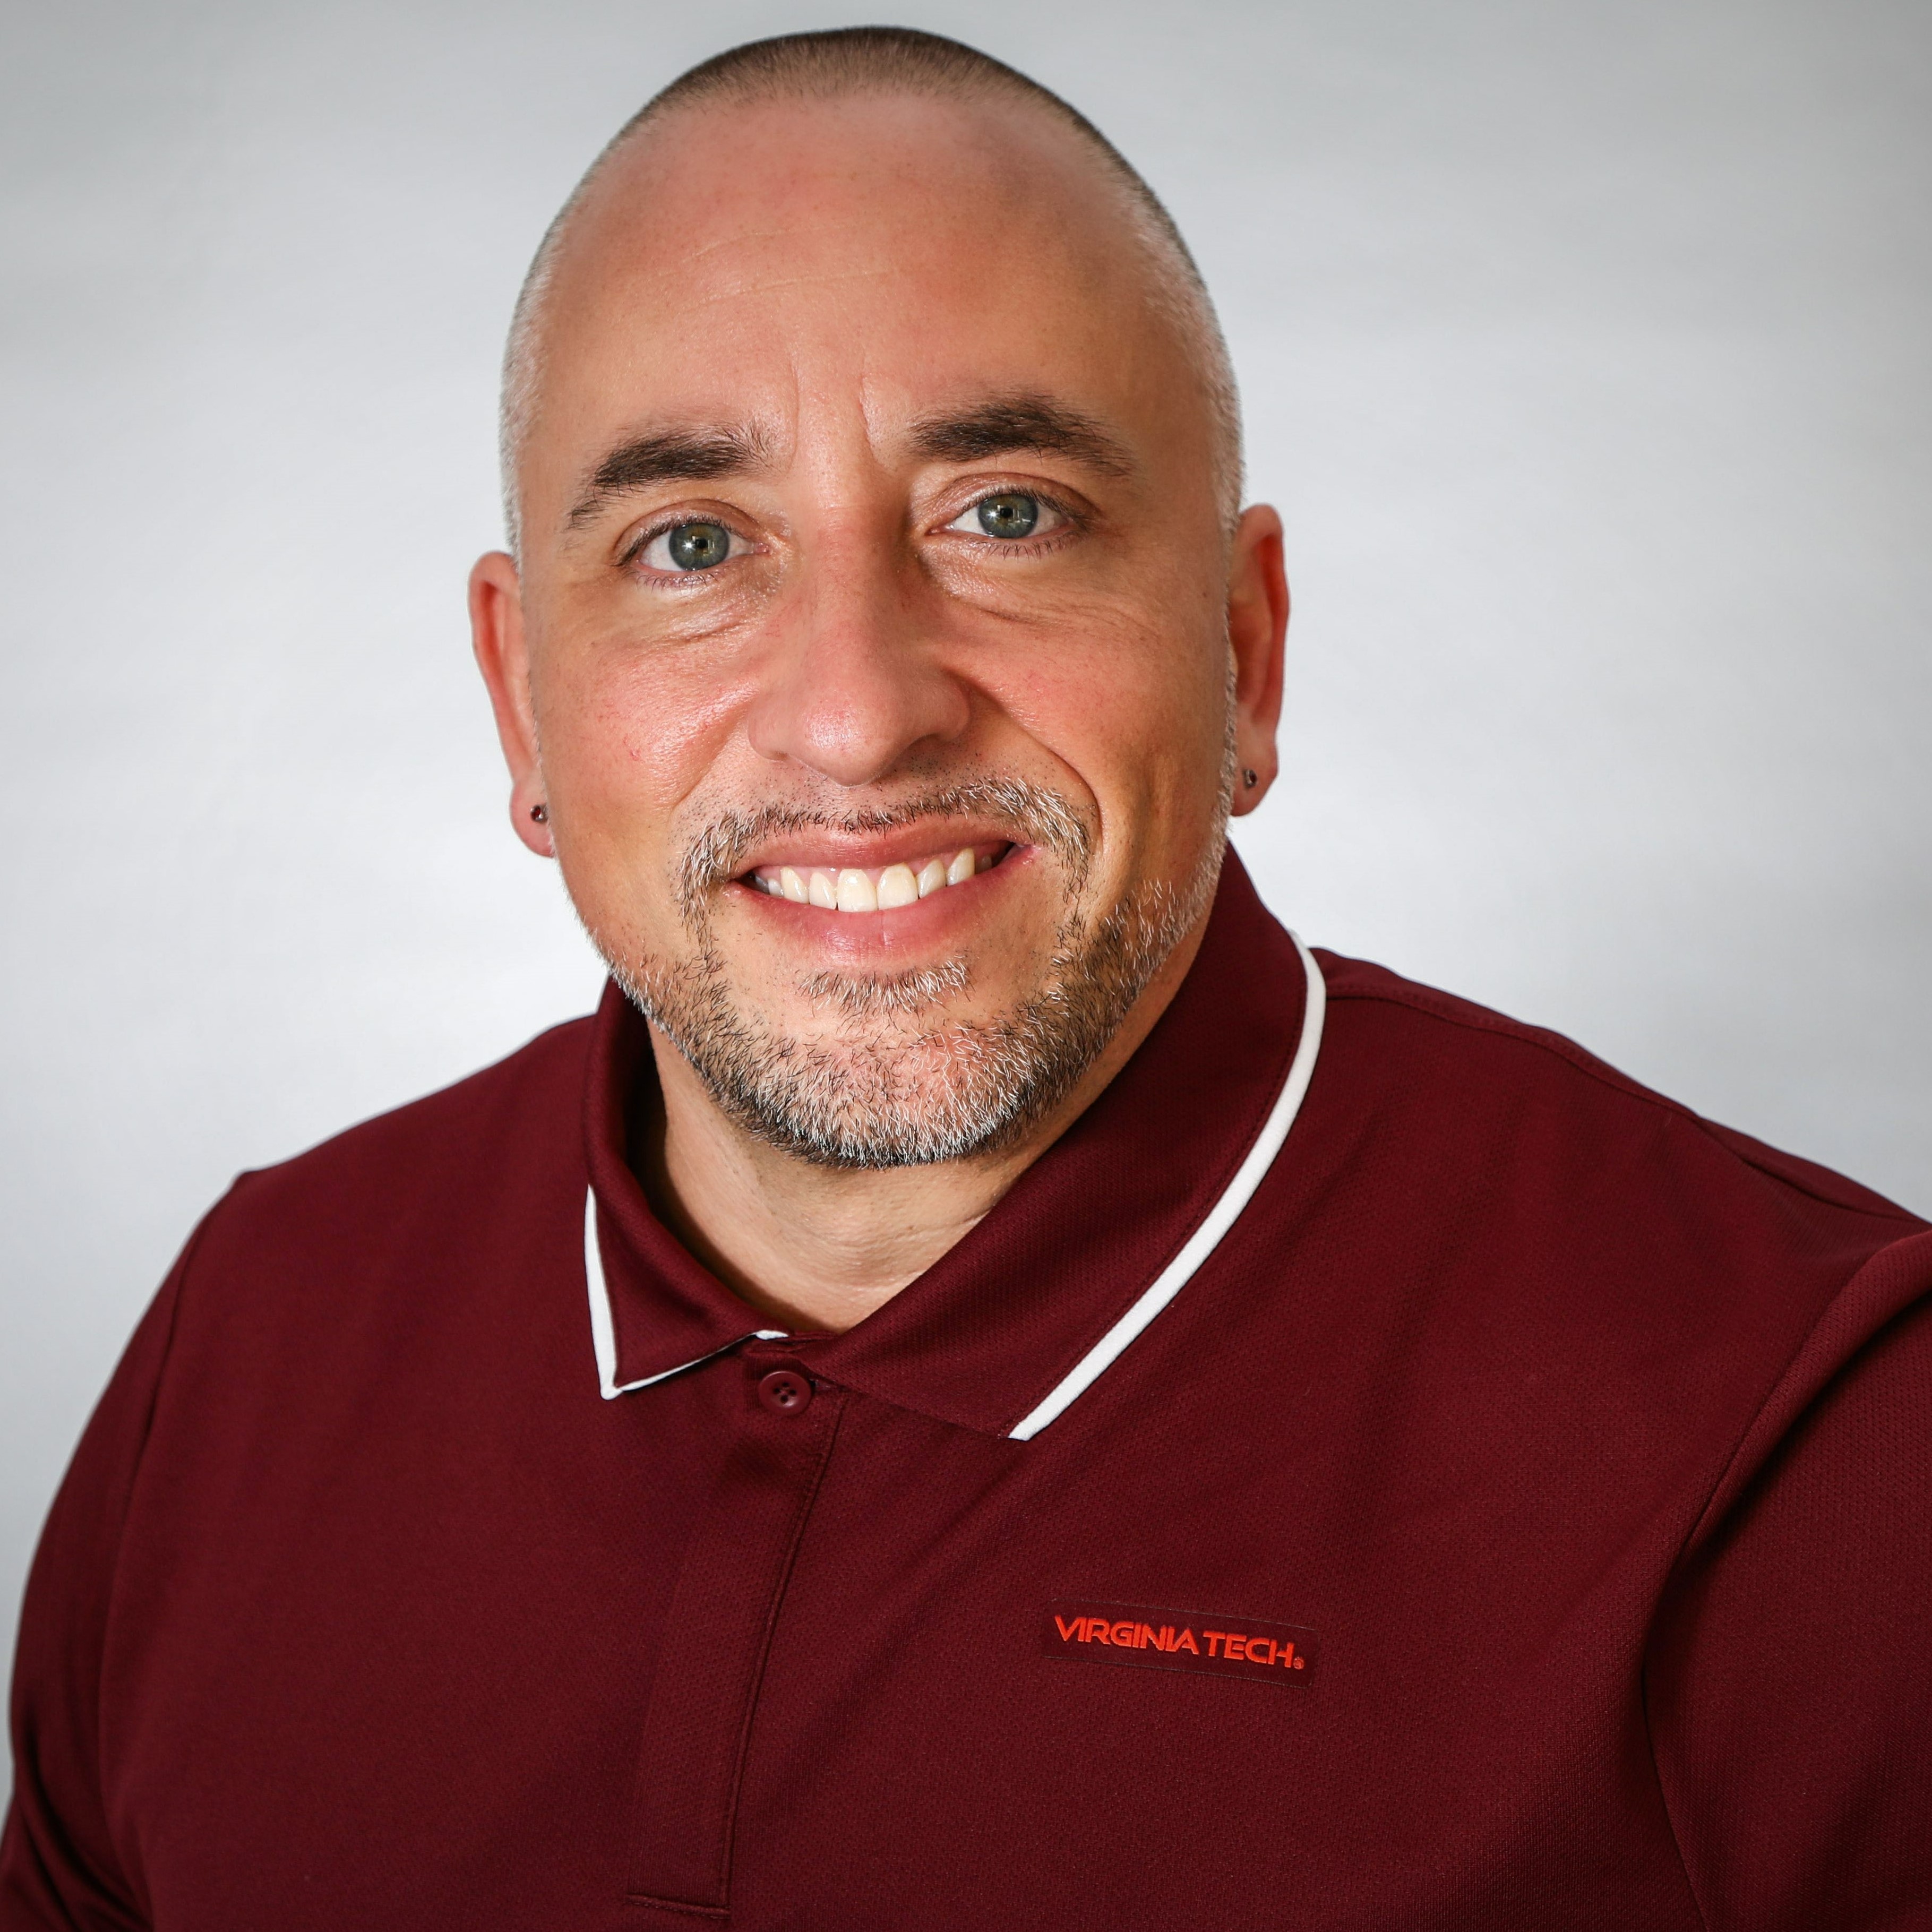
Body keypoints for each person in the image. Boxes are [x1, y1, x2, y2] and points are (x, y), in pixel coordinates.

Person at [5, 26, 1928, 1930]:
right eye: (691, 544)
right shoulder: (251, 1337)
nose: (856, 719)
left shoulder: (1814, 1453)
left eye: (1004, 514)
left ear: (1244, 652)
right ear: (522, 703)